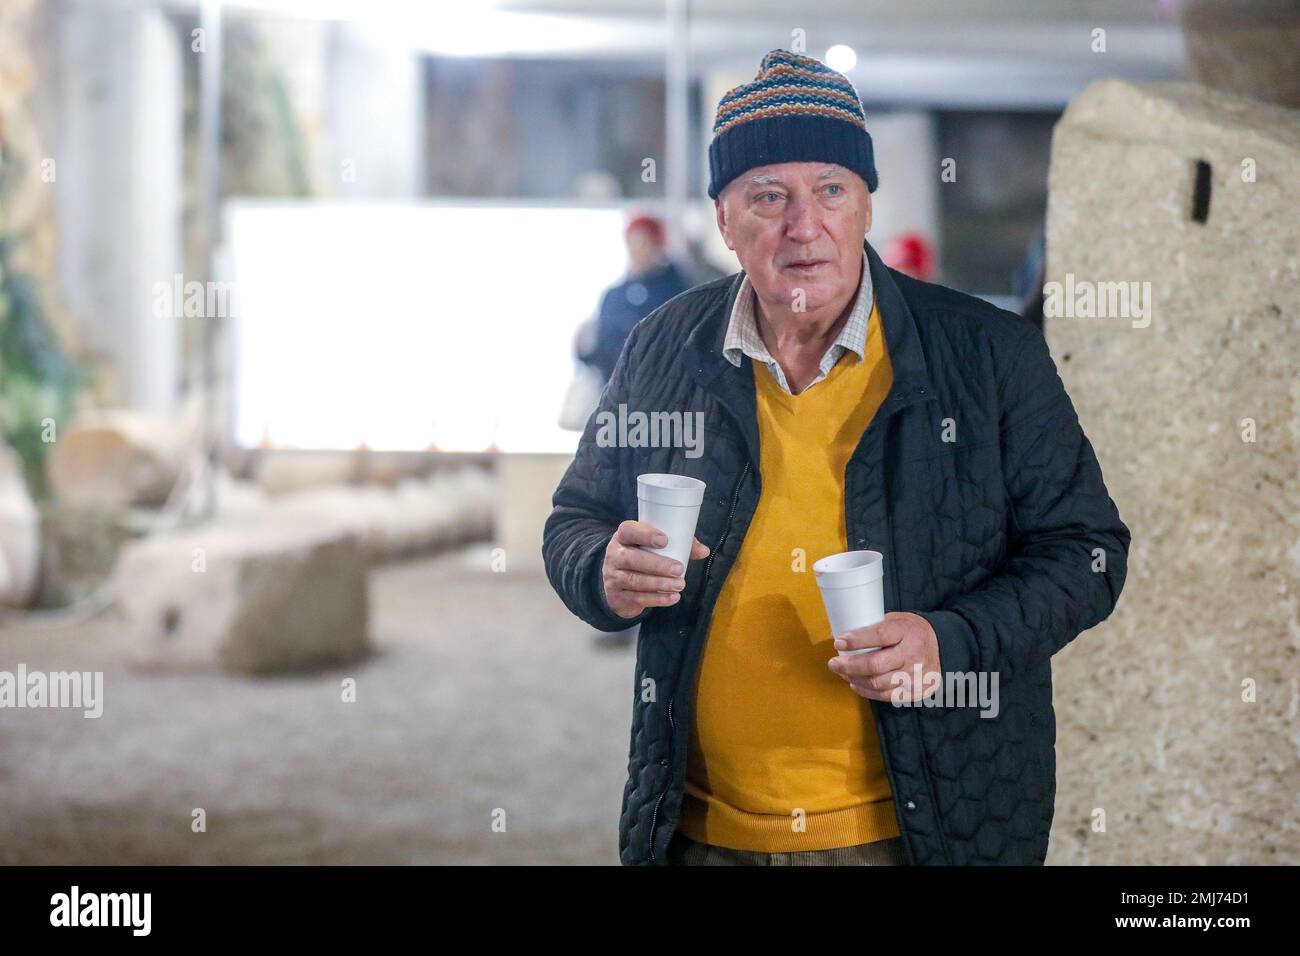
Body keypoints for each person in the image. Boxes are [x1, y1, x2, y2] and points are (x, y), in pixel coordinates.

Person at [542, 49, 1130, 866]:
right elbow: (575, 518)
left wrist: (946, 639)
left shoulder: (988, 356)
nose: (803, 224)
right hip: (700, 833)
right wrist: (599, 571)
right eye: (767, 196)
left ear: (864, 205)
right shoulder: (664, 347)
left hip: (916, 836)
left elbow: (1089, 555)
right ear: (723, 217)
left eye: (830, 190)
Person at [576, 215, 691, 391]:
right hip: (617, 397)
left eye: (644, 242)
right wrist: (585, 351)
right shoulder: (614, 295)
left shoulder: (677, 290)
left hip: (661, 395)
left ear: (659, 245)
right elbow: (603, 352)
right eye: (633, 242)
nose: (638, 250)